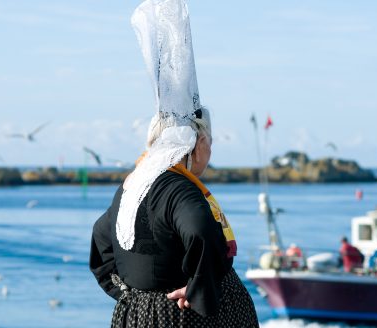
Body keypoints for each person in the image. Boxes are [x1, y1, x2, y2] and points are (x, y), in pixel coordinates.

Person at [89, 1, 258, 327]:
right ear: (196, 143)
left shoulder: (133, 185)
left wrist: (132, 290)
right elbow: (200, 230)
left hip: (139, 314)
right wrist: (197, 290)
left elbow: (100, 238)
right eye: (209, 141)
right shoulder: (178, 189)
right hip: (183, 316)